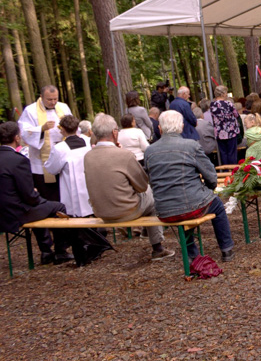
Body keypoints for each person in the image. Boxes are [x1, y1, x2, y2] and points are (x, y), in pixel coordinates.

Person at [144, 110, 235, 261]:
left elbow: (150, 178)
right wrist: (208, 188)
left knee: (183, 205)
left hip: (164, 210)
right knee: (217, 205)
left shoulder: (149, 151)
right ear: (181, 127)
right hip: (191, 204)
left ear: (159, 128)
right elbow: (211, 175)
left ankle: (193, 254)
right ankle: (226, 249)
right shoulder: (191, 146)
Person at [84, 113, 174, 261]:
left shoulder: (88, 156)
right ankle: (157, 247)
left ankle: (148, 231)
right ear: (114, 132)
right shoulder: (124, 155)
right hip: (125, 210)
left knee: (146, 197)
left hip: (100, 211)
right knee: (152, 194)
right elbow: (142, 185)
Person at [0, 121, 72, 265]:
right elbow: (30, 197)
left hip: (3, 210)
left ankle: (46, 251)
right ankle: (60, 251)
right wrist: (39, 197)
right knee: (58, 207)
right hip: (14, 214)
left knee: (40, 207)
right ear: (17, 138)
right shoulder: (18, 160)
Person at [17, 85, 74, 262]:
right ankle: (46, 250)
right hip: (40, 167)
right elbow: (24, 133)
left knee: (62, 205)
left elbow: (73, 128)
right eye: (50, 99)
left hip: (61, 163)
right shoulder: (30, 111)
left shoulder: (63, 107)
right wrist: (41, 129)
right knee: (44, 207)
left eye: (55, 98)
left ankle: (61, 248)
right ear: (41, 97)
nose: (53, 102)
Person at [44, 115, 93, 218]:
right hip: (90, 186)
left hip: (72, 191)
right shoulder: (88, 142)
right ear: (77, 128)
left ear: (62, 130)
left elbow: (51, 169)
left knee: (75, 214)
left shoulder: (60, 148)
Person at [209, 85, 241, 165]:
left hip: (219, 132)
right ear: (223, 94)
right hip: (230, 131)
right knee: (232, 152)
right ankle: (232, 170)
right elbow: (236, 114)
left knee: (223, 153)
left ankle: (225, 170)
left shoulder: (212, 105)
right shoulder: (228, 104)